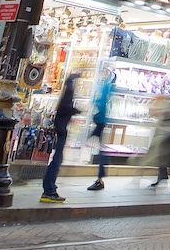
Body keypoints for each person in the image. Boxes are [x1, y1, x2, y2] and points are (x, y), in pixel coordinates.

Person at [40, 73, 80, 204]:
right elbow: (66, 109)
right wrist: (76, 110)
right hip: (61, 132)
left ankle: (49, 190)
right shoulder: (68, 96)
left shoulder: (66, 96)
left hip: (60, 131)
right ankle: (49, 191)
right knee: (56, 161)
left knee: (57, 160)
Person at [87, 69, 115, 191]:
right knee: (101, 150)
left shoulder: (105, 87)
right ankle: (100, 179)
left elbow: (101, 102)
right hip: (102, 120)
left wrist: (94, 102)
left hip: (102, 121)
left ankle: (100, 180)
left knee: (102, 150)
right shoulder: (107, 87)